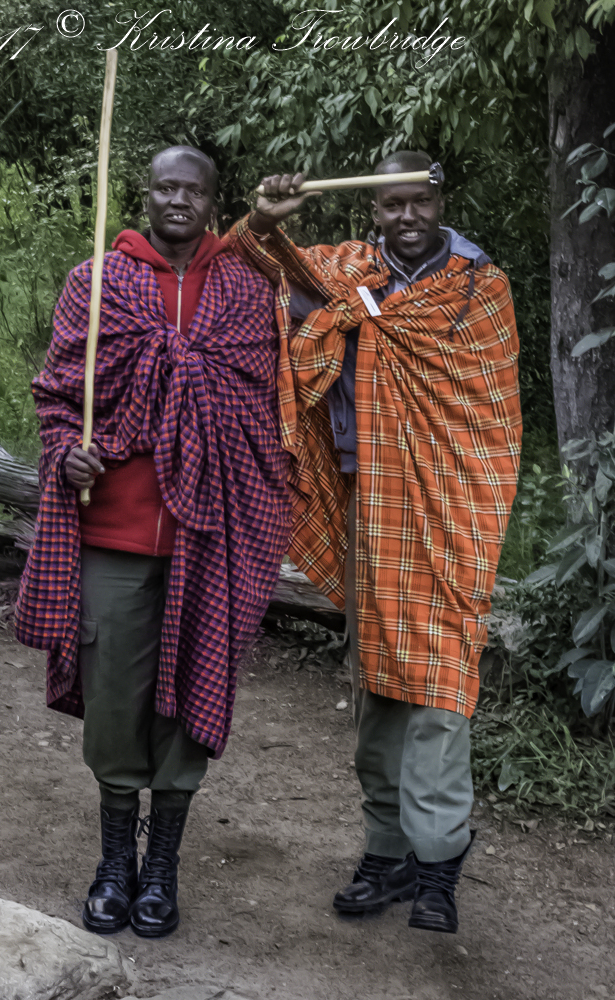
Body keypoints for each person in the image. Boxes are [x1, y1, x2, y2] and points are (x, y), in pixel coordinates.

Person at [226, 150, 522, 934]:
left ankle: (438, 864)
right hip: (367, 504)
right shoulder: (347, 272)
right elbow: (249, 268)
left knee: (440, 678)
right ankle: (387, 853)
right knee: (378, 677)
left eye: (416, 202)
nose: (405, 217)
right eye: (391, 206)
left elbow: (491, 414)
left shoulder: (476, 288)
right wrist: (264, 218)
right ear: (373, 212)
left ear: (438, 200)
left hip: (450, 505)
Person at [15, 146, 293, 938]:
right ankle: (115, 863)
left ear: (212, 202)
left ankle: (161, 866)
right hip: (113, 533)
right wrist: (66, 453)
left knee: (190, 696)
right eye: (165, 187)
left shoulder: (245, 290)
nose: (177, 200)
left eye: (192, 190)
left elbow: (264, 404)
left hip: (210, 537)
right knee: (113, 703)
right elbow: (57, 394)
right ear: (146, 196)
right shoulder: (96, 282)